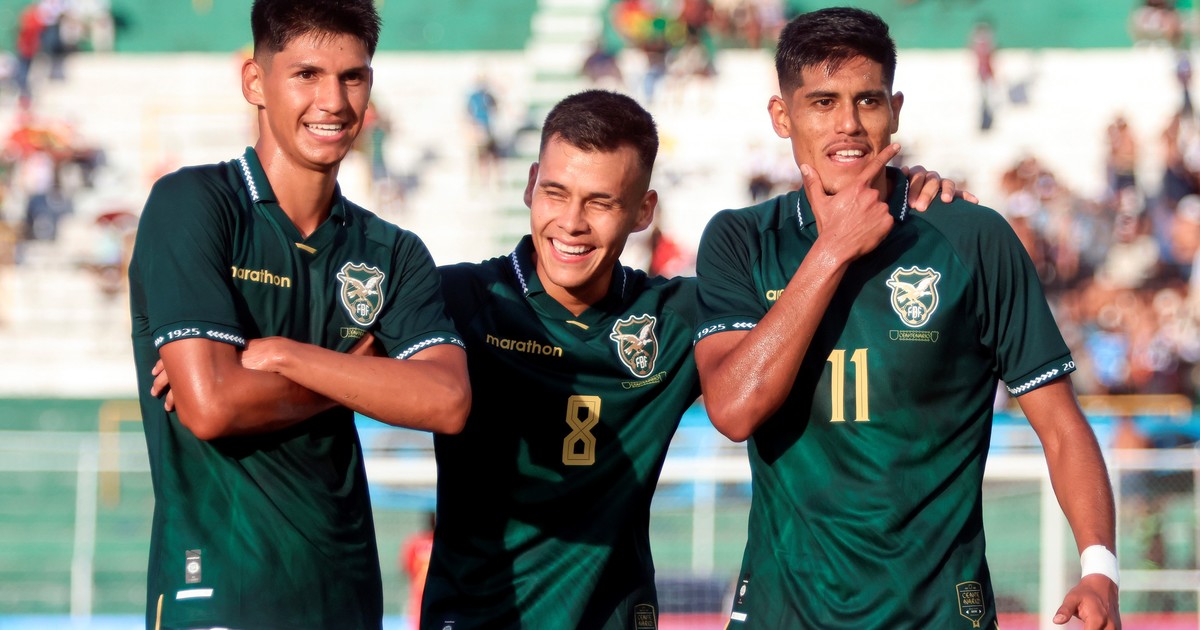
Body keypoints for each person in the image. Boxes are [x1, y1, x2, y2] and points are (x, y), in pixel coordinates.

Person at [418, 88, 968, 629]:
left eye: (601, 202)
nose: (572, 222)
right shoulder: (456, 299)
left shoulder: (680, 316)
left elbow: (788, 319)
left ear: (644, 211)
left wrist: (903, 195)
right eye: (556, 193)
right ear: (530, 185)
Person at [692, 8, 1120, 629]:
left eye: (867, 101)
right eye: (822, 102)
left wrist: (1100, 568)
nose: (848, 123)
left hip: (937, 614)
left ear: (894, 110)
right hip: (782, 614)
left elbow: (1060, 425)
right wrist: (833, 251)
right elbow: (734, 411)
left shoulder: (971, 237)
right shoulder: (741, 240)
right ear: (782, 116)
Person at [127, 1, 470, 628]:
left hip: (347, 596)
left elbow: (446, 402)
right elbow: (211, 406)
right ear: (255, 82)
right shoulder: (193, 204)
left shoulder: (393, 251)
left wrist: (289, 357)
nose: (333, 101)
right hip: (217, 589)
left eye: (352, 77)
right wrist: (357, 372)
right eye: (306, 74)